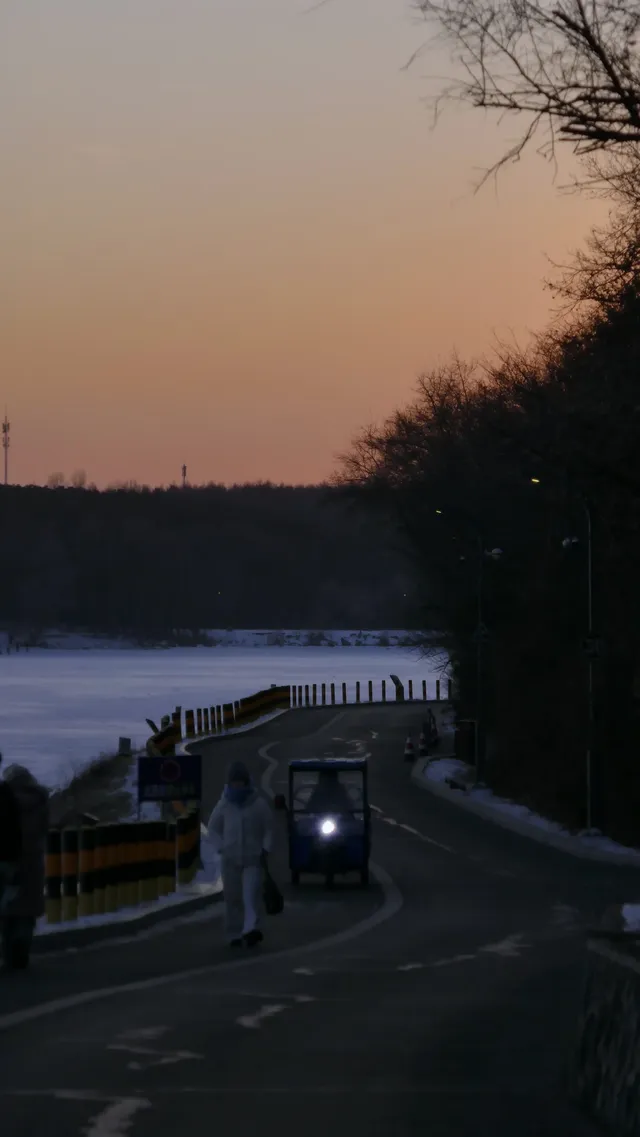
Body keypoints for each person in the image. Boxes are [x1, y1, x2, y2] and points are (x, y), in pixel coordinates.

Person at [207, 760, 273, 948]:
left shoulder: (258, 804)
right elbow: (213, 828)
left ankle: (252, 929)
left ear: (246, 782)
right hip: (230, 859)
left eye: (240, 782)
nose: (237, 786)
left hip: (253, 859)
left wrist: (265, 849)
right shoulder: (225, 804)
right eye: (234, 782)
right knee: (232, 897)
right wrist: (221, 847)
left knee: (250, 895)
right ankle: (234, 933)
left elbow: (269, 828)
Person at [1, 763, 50, 970]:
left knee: (7, 908)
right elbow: (44, 828)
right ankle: (22, 949)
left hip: (7, 859)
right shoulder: (40, 800)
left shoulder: (5, 800)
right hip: (33, 861)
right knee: (27, 909)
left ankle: (8, 950)